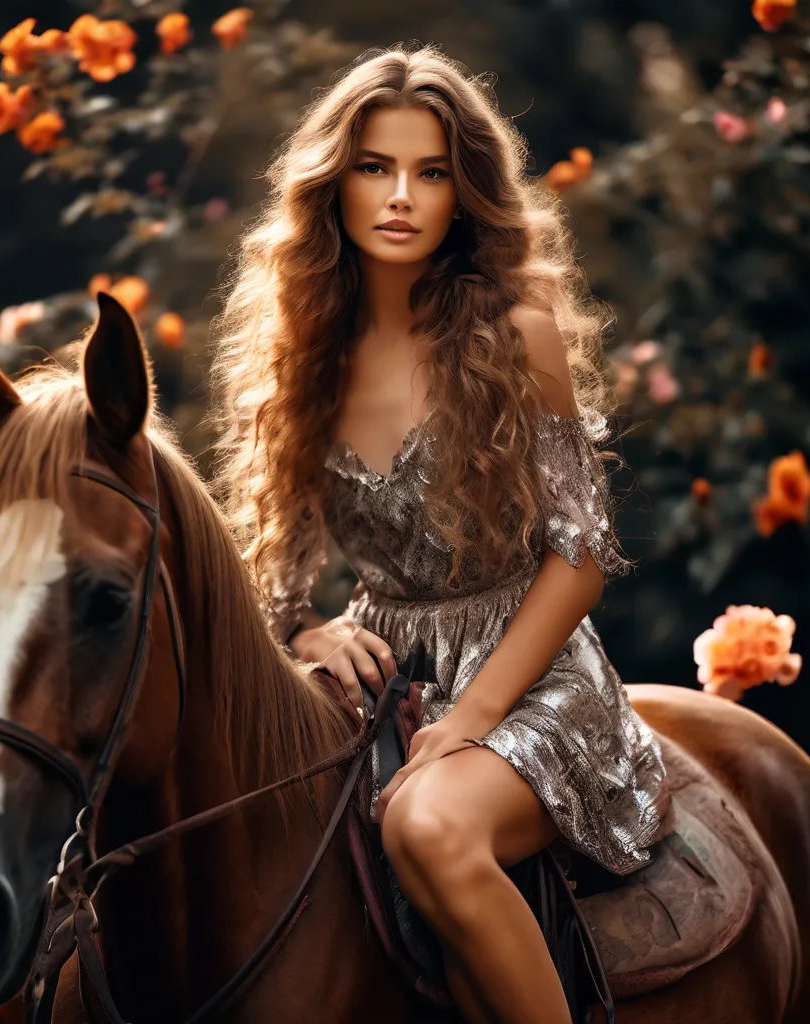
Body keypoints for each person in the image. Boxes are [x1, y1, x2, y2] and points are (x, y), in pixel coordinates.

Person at [205, 42, 670, 1024]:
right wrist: (305, 630)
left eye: (430, 171)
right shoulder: (304, 353)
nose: (401, 195)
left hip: (531, 672)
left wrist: (472, 718)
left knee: (425, 822)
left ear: (465, 193)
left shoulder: (515, 331)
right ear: (333, 186)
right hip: (386, 680)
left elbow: (579, 558)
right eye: (375, 167)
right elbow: (275, 573)